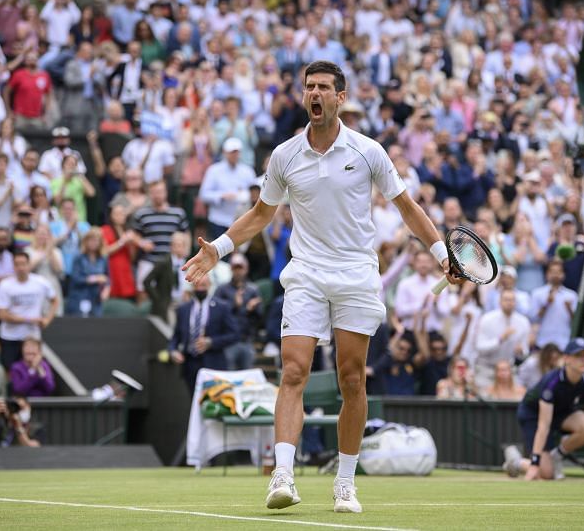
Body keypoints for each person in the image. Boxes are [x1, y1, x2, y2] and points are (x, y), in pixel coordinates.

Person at [182, 61, 462, 513]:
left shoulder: (370, 151)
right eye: (309, 87)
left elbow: (407, 208)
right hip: (307, 273)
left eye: (323, 88)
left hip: (355, 273)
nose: (315, 93)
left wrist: (441, 256)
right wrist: (217, 249)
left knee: (351, 379)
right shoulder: (284, 155)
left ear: (340, 98)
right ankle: (283, 475)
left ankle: (346, 484)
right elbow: (260, 213)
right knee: (293, 371)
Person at [503, 338, 584, 481]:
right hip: (533, 415)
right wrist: (535, 463)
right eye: (578, 356)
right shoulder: (552, 382)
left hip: (561, 412)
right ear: (567, 359)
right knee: (546, 474)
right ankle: (517, 462)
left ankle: (556, 456)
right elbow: (543, 426)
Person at [168, 274, 239, 393]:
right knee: (193, 401)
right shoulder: (183, 309)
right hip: (190, 364)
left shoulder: (222, 307)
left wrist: (211, 342)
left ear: (210, 285)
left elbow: (234, 334)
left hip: (213, 363)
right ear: (192, 286)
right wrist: (173, 350)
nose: (200, 289)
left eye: (204, 285)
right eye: (197, 285)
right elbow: (176, 337)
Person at [0, 251, 59, 370]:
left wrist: (47, 319)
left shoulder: (40, 282)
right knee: (9, 370)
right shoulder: (5, 285)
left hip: (32, 336)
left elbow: (55, 301)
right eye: (17, 264)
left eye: (23, 264)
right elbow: (2, 315)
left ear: (29, 265)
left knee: (32, 367)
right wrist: (29, 319)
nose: (21, 268)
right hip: (10, 336)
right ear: (13, 266)